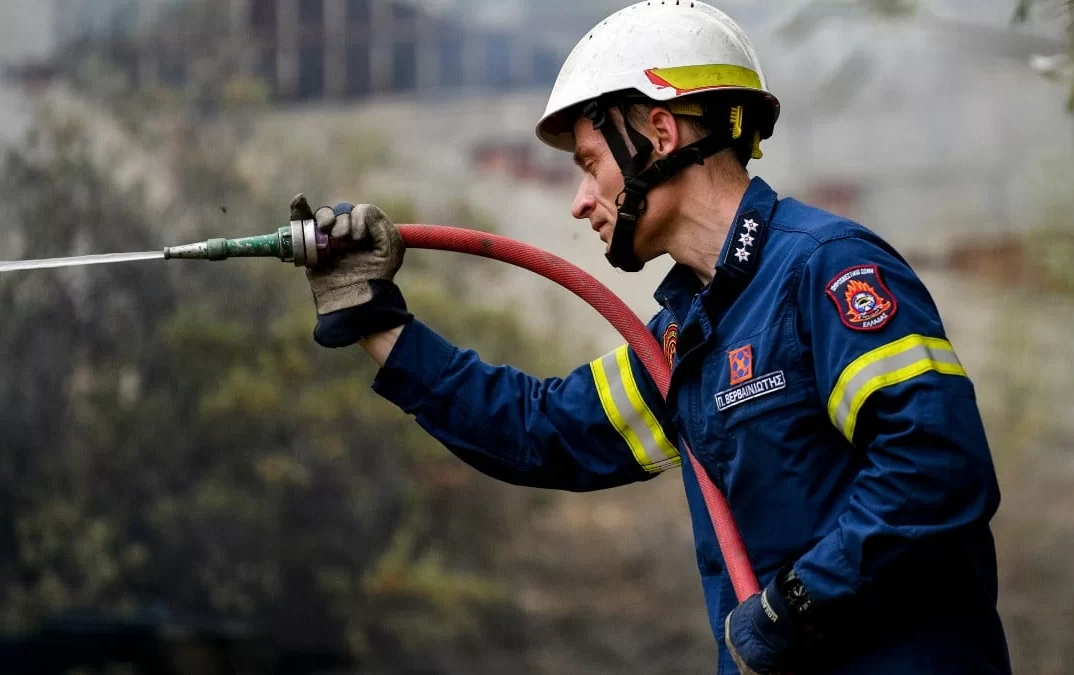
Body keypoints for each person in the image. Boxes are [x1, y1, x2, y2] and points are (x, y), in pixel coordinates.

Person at [288, 2, 1012, 673]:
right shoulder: (685, 338)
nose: (579, 202)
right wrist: (379, 322)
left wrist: (796, 602)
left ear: (660, 135)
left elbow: (936, 470)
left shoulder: (826, 269)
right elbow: (544, 431)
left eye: (589, 165)